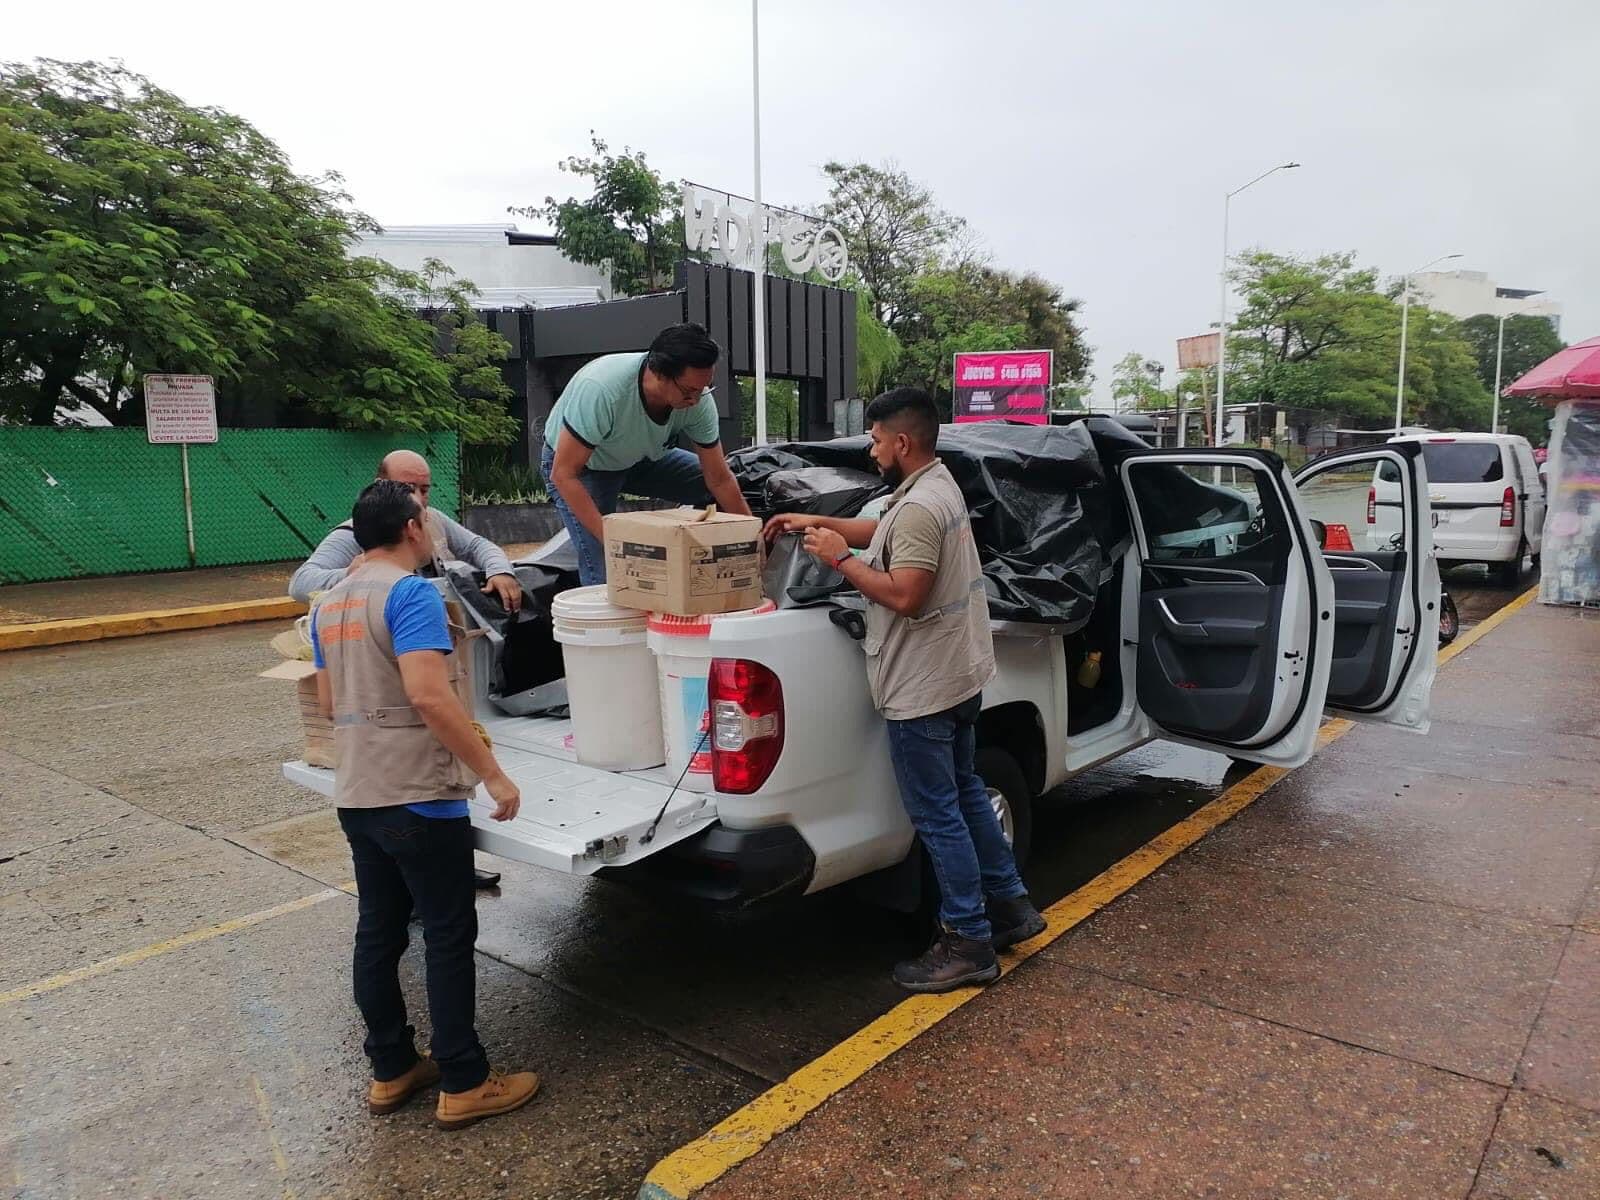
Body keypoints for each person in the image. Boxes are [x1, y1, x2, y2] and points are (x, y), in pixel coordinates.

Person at [765, 388, 1046, 993]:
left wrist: (840, 560)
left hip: (924, 685)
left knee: (936, 812)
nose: (870, 449)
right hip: (958, 674)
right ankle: (1013, 907)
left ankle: (969, 942)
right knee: (968, 792)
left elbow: (904, 593)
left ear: (902, 441)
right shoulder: (933, 487)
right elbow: (880, 527)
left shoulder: (921, 506)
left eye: (874, 439)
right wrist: (814, 520)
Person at [311, 479, 538, 1129]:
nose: (432, 528)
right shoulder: (410, 594)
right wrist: (493, 774)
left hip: (357, 793)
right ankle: (465, 1080)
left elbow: (329, 704)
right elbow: (431, 697)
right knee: (445, 933)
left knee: (379, 931)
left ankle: (391, 1069)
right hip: (418, 795)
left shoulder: (330, 604)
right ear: (412, 530)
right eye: (426, 518)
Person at [541, 322, 753, 586]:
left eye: (705, 388)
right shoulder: (603, 389)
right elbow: (563, 474)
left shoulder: (697, 400)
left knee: (717, 488)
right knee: (609, 568)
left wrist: (752, 539)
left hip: (641, 457)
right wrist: (614, 541)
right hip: (585, 467)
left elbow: (719, 479)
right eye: (689, 391)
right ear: (659, 373)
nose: (696, 400)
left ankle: (701, 572)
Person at [290, 450, 522, 613]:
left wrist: (499, 570)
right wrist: (353, 574)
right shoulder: (355, 532)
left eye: (424, 489)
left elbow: (476, 545)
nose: (419, 499)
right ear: (381, 485)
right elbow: (300, 583)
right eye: (408, 488)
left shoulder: (435, 519)